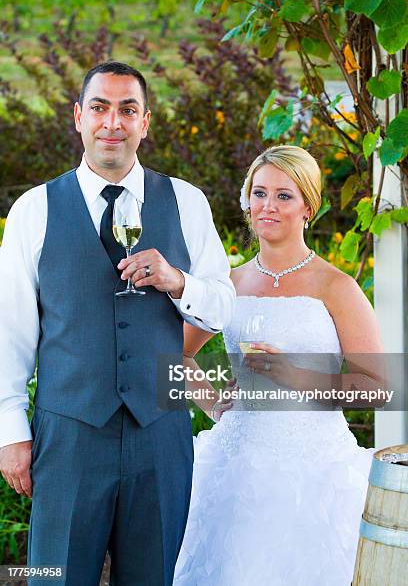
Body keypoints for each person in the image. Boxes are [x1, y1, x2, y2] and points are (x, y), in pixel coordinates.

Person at [0, 61, 235, 586]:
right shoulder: (33, 210)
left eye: (128, 109)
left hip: (161, 434)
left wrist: (177, 281)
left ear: (145, 123)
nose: (113, 122)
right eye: (100, 108)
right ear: (79, 117)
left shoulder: (187, 202)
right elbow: (8, 334)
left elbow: (223, 307)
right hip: (70, 435)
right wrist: (10, 433)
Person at [173, 145, 384, 586]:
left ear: (309, 206)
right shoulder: (228, 284)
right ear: (247, 201)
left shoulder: (336, 287)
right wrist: (211, 405)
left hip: (313, 473)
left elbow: (378, 387)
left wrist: (295, 376)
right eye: (259, 193)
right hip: (234, 469)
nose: (268, 206)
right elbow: (178, 354)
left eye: (284, 196)